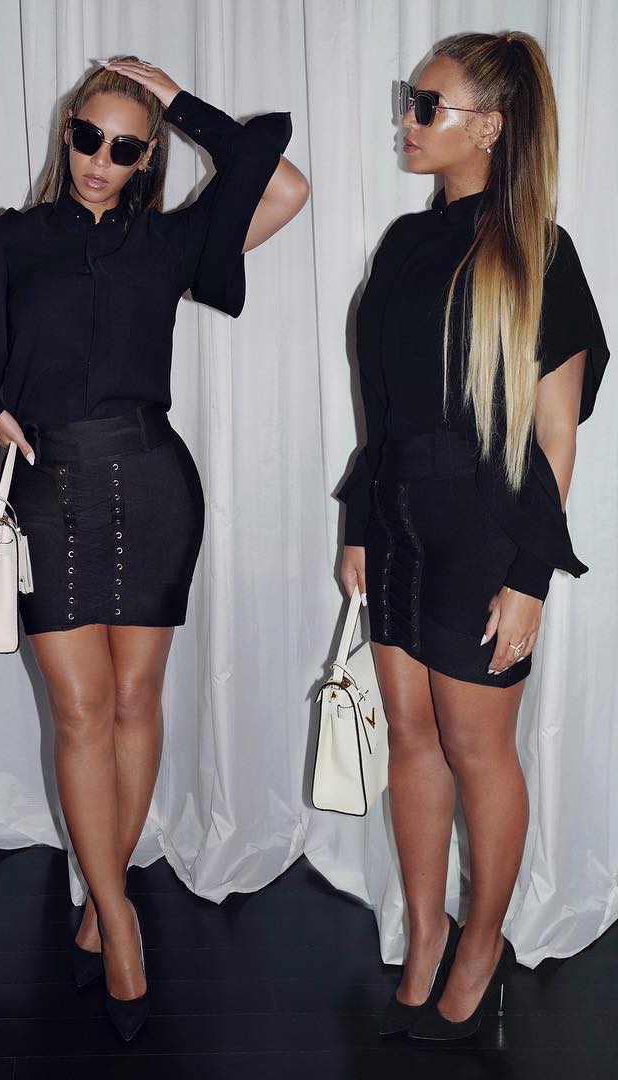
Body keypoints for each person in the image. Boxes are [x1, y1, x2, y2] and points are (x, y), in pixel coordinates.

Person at [0, 56, 308, 1041]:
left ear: (147, 154)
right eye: (87, 137)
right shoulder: (15, 239)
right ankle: (116, 917)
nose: (99, 160)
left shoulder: (171, 241)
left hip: (154, 485)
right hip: (51, 489)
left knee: (133, 702)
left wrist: (177, 100)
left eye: (123, 146)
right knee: (78, 711)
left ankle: (100, 904)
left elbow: (283, 186)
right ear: (65, 129)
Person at [336, 32, 608, 1041]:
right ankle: (425, 933)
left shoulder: (539, 252)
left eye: (426, 105)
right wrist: (360, 523)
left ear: (489, 126)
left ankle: (483, 945)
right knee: (411, 736)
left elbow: (555, 436)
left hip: (486, 530)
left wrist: (530, 575)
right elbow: (380, 406)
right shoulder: (404, 245)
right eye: (409, 101)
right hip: (398, 519)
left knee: (477, 749)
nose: (407, 121)